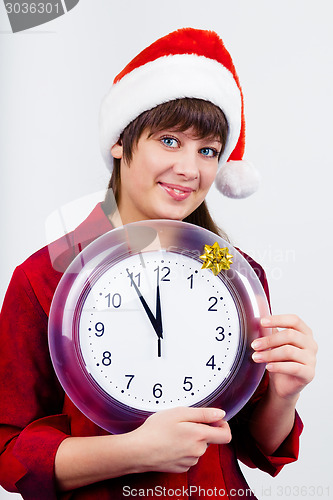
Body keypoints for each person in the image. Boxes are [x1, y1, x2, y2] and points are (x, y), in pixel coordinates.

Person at [0, 28, 317, 500]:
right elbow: (9, 453)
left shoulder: (230, 269)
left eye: (208, 150)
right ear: (120, 143)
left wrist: (285, 392)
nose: (191, 169)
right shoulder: (47, 274)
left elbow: (253, 441)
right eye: (170, 140)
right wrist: (135, 451)